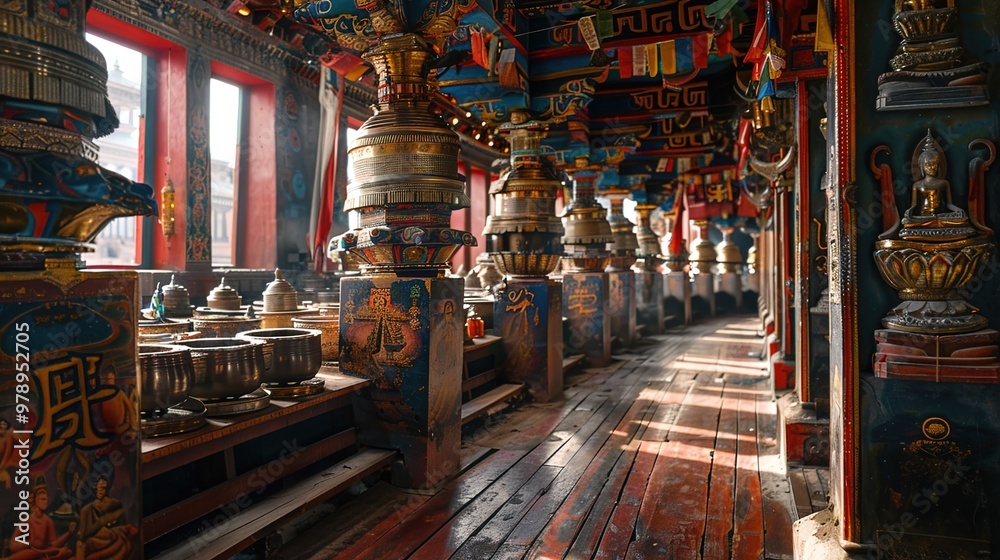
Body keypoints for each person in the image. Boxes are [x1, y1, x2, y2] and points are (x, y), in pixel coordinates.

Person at [8, 478, 75, 560]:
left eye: (46, 499)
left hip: (44, 554)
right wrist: (28, 543)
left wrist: (68, 533)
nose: (45, 502)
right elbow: (12, 546)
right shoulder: (27, 520)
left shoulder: (48, 521)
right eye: (42, 499)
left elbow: (53, 544)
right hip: (30, 552)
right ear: (35, 500)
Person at [77, 476, 137, 560]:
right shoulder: (86, 510)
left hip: (114, 542)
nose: (101, 491)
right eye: (100, 488)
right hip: (93, 544)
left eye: (104, 488)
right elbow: (83, 534)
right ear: (95, 488)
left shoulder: (115, 505)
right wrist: (103, 522)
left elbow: (123, 525)